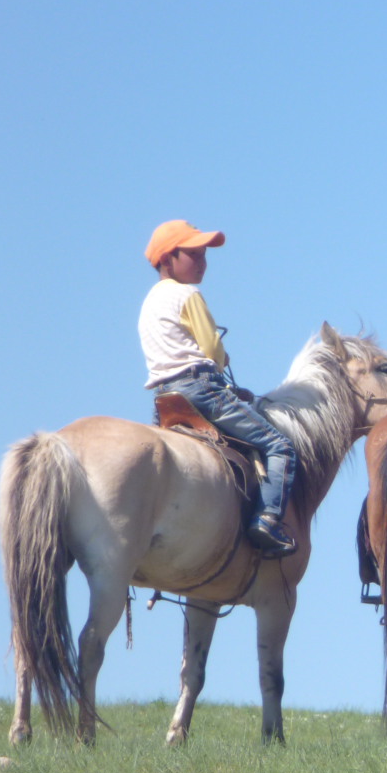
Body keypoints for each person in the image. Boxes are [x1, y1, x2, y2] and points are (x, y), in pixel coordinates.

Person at [139, 219, 298, 557]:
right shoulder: (187, 294)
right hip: (201, 389)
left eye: (204, 255)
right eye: (193, 254)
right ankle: (268, 520)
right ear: (167, 259)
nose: (202, 262)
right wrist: (222, 361)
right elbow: (211, 350)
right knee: (279, 447)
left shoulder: (148, 303)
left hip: (166, 397)